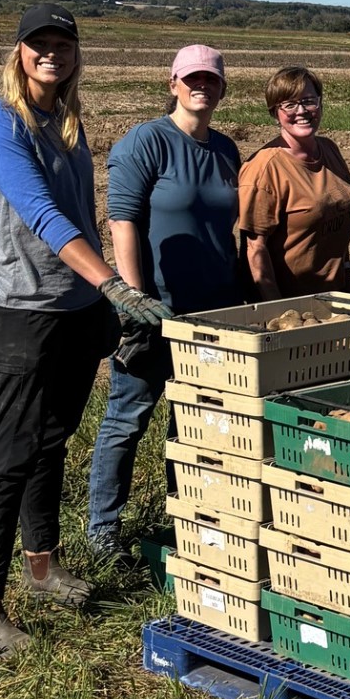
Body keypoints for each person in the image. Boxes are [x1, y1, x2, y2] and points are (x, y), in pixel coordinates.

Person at [0, 4, 171, 658]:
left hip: (76, 311)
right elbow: (45, 215)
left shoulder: (68, 123)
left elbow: (84, 209)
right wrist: (113, 283)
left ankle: (43, 566)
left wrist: (98, 303)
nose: (50, 52)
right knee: (7, 455)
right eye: (38, 43)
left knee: (51, 440)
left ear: (75, 54)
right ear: (19, 52)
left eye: (62, 43)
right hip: (22, 312)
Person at [86, 45, 242, 556]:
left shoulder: (224, 150)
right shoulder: (147, 142)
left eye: (211, 79)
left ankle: (187, 518)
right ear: (172, 83)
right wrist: (133, 299)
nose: (201, 86)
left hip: (212, 313)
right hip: (157, 310)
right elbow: (122, 220)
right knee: (128, 418)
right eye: (191, 78)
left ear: (222, 88)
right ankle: (103, 531)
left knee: (194, 423)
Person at [237, 66, 350, 299]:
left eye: (309, 101)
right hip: (294, 305)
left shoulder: (329, 150)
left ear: (320, 103)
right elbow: (254, 248)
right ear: (275, 112)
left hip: (337, 297)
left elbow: (339, 214)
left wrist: (346, 271)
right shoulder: (265, 167)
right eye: (290, 105)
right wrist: (278, 311)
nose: (302, 111)